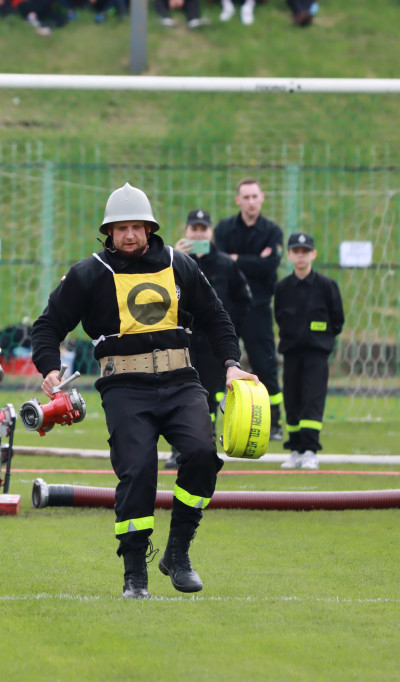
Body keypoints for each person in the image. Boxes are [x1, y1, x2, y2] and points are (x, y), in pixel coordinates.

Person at [30, 183, 258, 599]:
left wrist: (231, 367)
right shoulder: (89, 273)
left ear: (150, 229)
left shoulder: (179, 264)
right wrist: (48, 367)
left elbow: (217, 318)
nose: (130, 235)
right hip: (123, 388)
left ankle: (179, 551)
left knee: (203, 455)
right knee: (138, 472)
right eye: (121, 228)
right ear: (109, 232)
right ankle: (135, 574)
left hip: (181, 381)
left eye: (137, 226)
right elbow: (47, 327)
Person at [168, 208, 251, 468]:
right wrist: (175, 257)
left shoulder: (226, 264)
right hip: (183, 343)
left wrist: (227, 327)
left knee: (209, 399)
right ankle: (177, 450)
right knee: (179, 396)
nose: (199, 233)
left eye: (203, 229)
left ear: (211, 232)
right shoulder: (173, 263)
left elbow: (243, 300)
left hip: (212, 346)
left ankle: (205, 447)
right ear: (186, 231)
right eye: (194, 229)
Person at [214, 178, 285, 441]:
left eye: (255, 196)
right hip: (228, 308)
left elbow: (270, 266)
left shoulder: (272, 231)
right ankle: (214, 420)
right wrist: (255, 260)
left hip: (258, 308)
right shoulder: (223, 229)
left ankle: (274, 421)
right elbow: (218, 262)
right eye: (246, 197)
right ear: (238, 200)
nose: (251, 202)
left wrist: (236, 259)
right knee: (219, 363)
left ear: (262, 198)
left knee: (265, 364)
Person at [274, 233, 344, 471]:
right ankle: (294, 450)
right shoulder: (283, 288)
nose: (301, 255)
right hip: (292, 354)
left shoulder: (327, 286)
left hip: (316, 356)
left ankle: (310, 451)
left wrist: (321, 339)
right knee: (292, 401)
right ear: (289, 255)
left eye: (306, 251)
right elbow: (279, 316)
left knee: (312, 401)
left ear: (313, 254)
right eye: (296, 251)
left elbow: (337, 320)